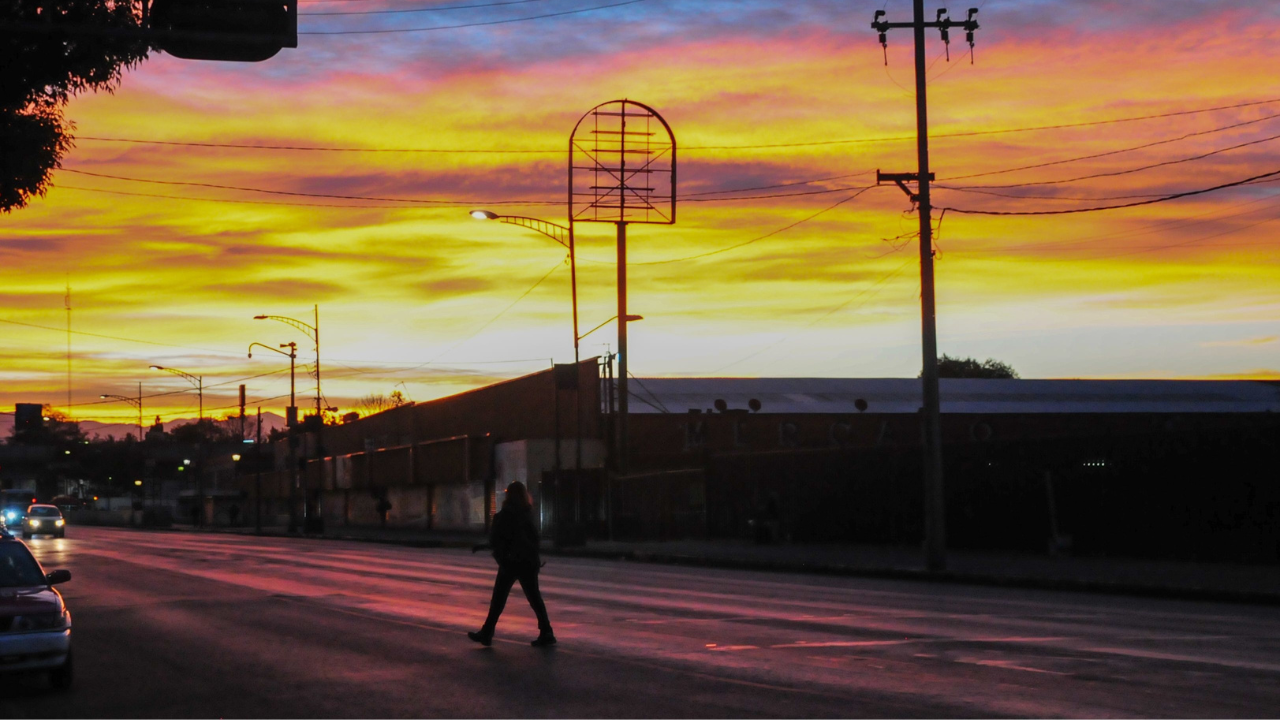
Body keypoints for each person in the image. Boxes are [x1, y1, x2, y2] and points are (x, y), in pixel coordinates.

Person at [468, 481, 555, 647]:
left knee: (498, 599)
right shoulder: (527, 513)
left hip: (510, 562)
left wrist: (482, 546)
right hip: (527, 562)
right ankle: (547, 631)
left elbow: (496, 539)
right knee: (534, 598)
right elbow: (535, 539)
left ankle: (487, 633)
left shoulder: (504, 515)